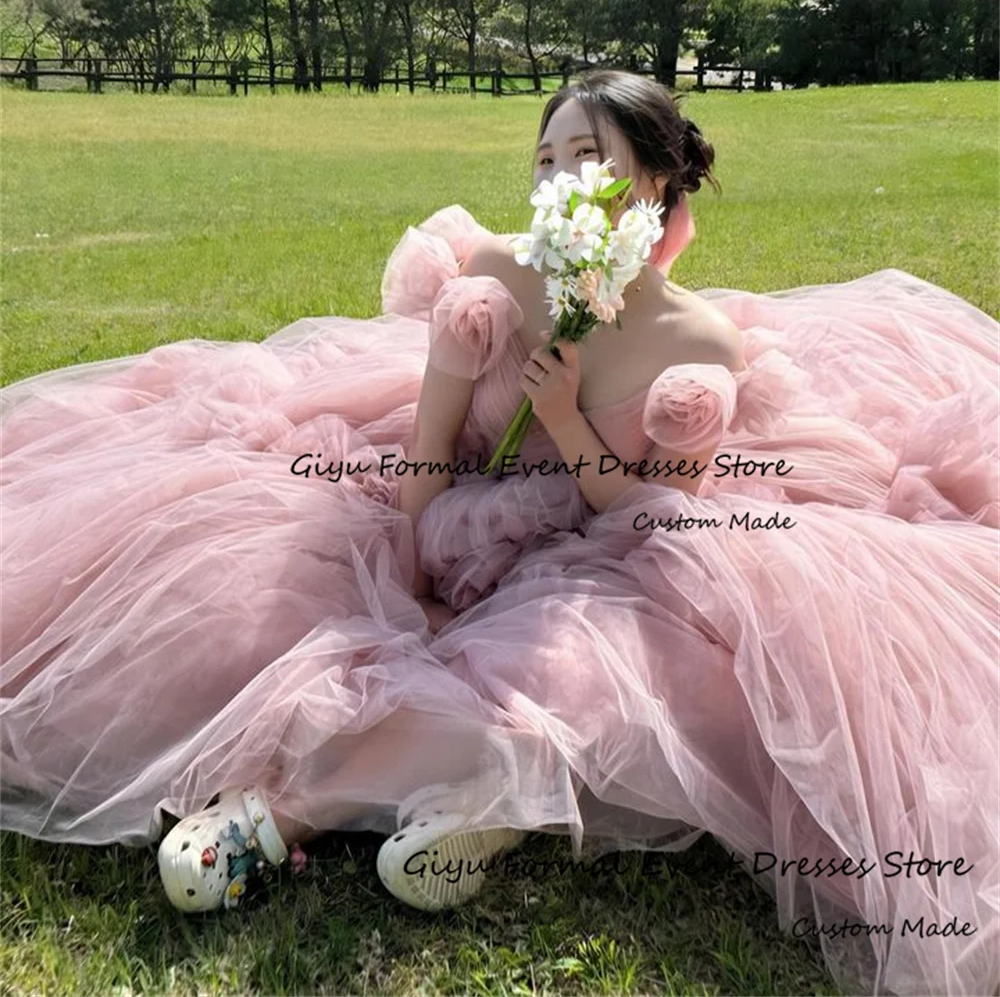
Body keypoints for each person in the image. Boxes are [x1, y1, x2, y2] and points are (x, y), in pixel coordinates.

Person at [1, 69, 997, 997]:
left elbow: (657, 516)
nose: (558, 178)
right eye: (546, 158)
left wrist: (564, 418)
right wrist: (409, 585)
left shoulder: (699, 347)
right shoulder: (490, 280)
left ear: (651, 183)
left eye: (588, 158)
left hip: (605, 555)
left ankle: (295, 811)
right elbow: (427, 455)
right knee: (247, 609)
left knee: (606, 674)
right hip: (456, 521)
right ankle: (480, 791)